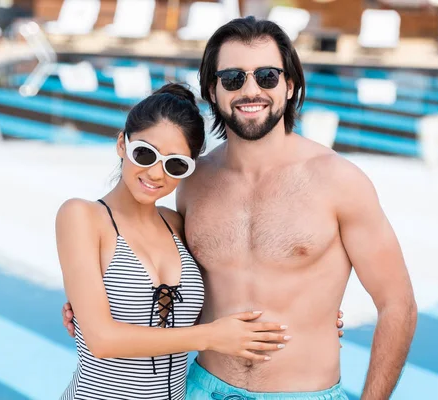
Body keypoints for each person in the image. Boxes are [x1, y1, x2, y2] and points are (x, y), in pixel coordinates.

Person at [62, 16, 417, 400]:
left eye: (267, 76)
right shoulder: (193, 182)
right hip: (200, 389)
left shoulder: (339, 182)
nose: (251, 90)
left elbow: (398, 305)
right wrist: (103, 306)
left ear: (290, 85)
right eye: (232, 78)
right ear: (213, 91)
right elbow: (184, 286)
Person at [56, 83, 296, 400]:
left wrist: (309, 314)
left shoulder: (176, 225)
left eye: (175, 164)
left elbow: (224, 296)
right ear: (121, 144)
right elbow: (102, 340)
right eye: (145, 153)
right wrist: (209, 337)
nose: (156, 173)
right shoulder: (82, 217)